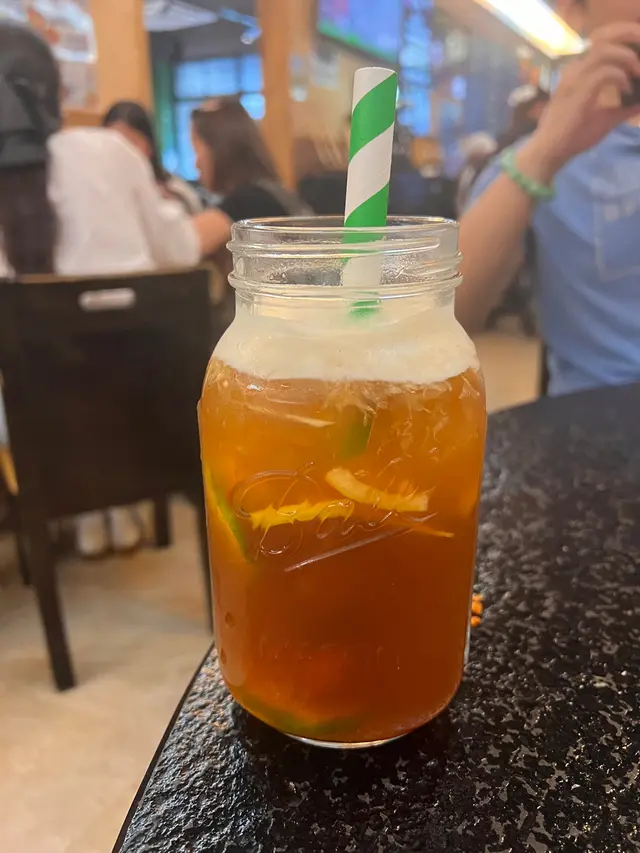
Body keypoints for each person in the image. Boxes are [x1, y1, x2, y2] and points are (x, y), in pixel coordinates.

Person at [0, 23, 227, 557]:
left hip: (39, 435)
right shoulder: (108, 152)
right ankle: (115, 510)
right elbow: (177, 252)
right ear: (55, 90)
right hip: (153, 410)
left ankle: (79, 518)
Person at [458, 0, 640, 396]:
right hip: (597, 409)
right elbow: (450, 316)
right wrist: (544, 154)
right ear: (574, 12)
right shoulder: (542, 160)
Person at [102, 100, 202, 215]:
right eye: (111, 143)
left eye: (130, 143)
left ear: (150, 146)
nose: (121, 152)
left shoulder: (175, 192)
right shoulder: (99, 191)